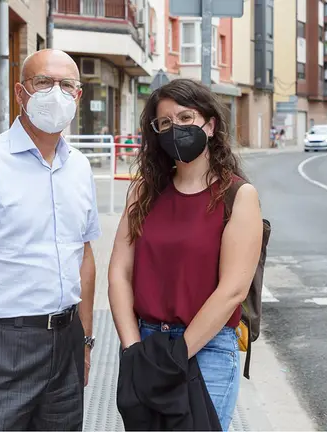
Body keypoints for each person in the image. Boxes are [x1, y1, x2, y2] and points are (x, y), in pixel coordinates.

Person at [0, 49, 100, 431]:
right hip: (1, 346)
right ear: (20, 93)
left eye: (67, 85)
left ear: (78, 96)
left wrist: (86, 341)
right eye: (43, 82)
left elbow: (85, 256)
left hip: (66, 343)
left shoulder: (79, 166)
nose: (55, 93)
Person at [107, 78, 264, 431]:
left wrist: (179, 355)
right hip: (146, 343)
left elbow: (233, 291)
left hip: (207, 350)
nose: (175, 129)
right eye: (165, 123)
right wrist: (134, 350)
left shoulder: (238, 196)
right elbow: (119, 273)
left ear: (209, 125)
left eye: (185, 118)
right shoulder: (144, 193)